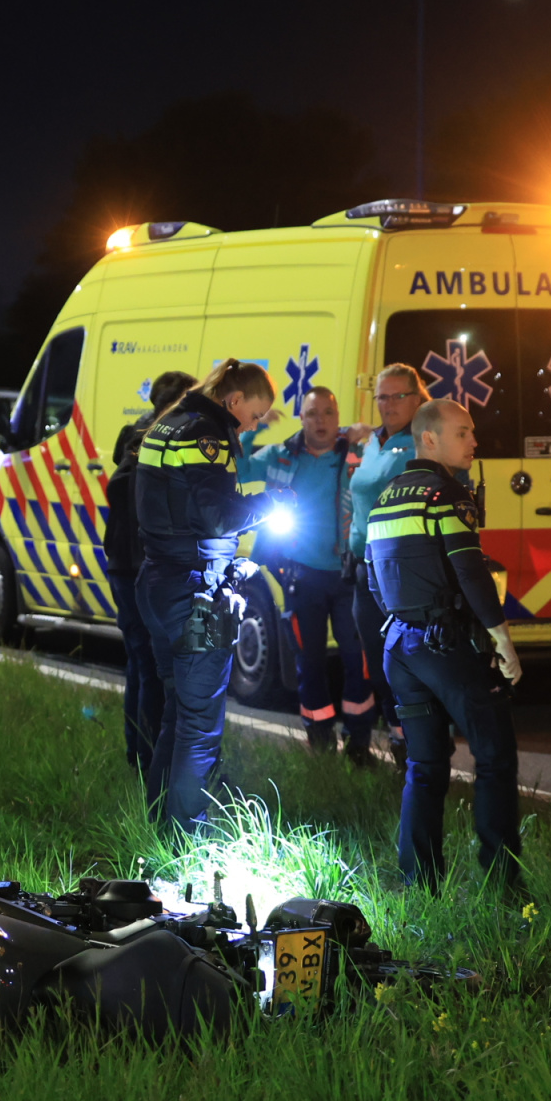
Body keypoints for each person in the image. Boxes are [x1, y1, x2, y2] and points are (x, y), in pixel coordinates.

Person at [365, 398, 526, 893]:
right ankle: (503, 887)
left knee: (425, 765)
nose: (474, 442)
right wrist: (502, 639)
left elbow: (372, 580)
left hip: (400, 647)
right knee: (495, 756)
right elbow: (470, 572)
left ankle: (420, 884)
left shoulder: (386, 498)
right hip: (447, 647)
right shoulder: (446, 497)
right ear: (429, 438)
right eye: (463, 433)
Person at [133, 359, 283, 837]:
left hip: (159, 583)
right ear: (234, 400)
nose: (254, 425)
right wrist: (271, 505)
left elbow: (187, 502)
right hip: (197, 594)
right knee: (198, 731)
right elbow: (217, 515)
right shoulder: (207, 435)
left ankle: (157, 831)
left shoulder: (169, 423)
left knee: (175, 718)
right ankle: (184, 845)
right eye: (255, 415)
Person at [238, 386, 377, 754]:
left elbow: (399, 454)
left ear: (338, 417)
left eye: (328, 414)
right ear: (302, 418)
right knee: (309, 662)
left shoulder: (359, 454)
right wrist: (253, 427)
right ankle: (319, 740)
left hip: (350, 576)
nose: (320, 422)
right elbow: (236, 465)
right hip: (301, 576)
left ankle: (359, 741)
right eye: (312, 414)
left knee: (358, 660)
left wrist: (373, 433)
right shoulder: (280, 456)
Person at [103, 369, 199, 774]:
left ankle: (137, 753)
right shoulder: (155, 447)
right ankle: (149, 760)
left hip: (124, 568)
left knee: (139, 662)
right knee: (153, 667)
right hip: (141, 570)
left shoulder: (132, 442)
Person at [347, 363, 430, 769]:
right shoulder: (375, 442)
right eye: (383, 396)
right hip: (366, 567)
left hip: (401, 570)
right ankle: (401, 743)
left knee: (407, 661)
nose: (389, 404)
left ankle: (421, 751)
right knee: (381, 662)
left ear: (418, 398)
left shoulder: (423, 441)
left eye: (399, 396)